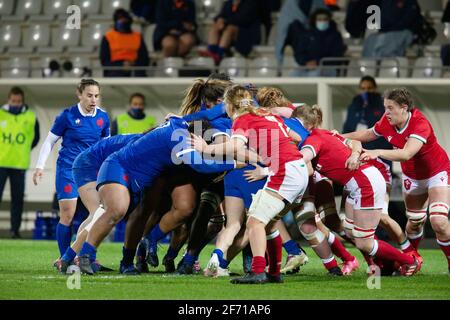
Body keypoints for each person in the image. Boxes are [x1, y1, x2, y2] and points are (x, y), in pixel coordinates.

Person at [75, 117, 236, 275]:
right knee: (117, 209)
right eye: (204, 144)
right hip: (120, 168)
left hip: (140, 178)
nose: (204, 149)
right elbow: (201, 166)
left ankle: (126, 262)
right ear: (197, 137)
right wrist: (235, 163)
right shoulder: (181, 139)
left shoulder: (178, 129)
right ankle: (86, 255)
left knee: (140, 215)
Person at [191, 85, 309, 284]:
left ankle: (258, 271)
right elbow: (296, 137)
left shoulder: (242, 119)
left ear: (230, 105)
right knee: (269, 223)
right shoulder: (266, 113)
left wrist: (206, 148)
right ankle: (272, 273)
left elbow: (235, 147)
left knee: (254, 222)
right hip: (298, 169)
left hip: (284, 170)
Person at [296, 104, 422, 276]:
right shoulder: (324, 134)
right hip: (358, 182)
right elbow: (354, 142)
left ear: (302, 125)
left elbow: (303, 159)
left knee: (364, 242)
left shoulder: (313, 140)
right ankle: (384, 265)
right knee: (349, 230)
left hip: (365, 182)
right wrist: (354, 153)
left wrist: (269, 169)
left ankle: (409, 261)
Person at [342, 87, 450, 273]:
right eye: (385, 107)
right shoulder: (388, 120)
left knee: (438, 221)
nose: (386, 112)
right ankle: (412, 258)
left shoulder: (419, 123)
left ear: (404, 107)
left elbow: (407, 153)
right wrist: (338, 137)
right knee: (415, 221)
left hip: (436, 172)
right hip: (413, 177)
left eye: (390, 108)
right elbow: (369, 134)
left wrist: (378, 152)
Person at [32, 79, 110, 260]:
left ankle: (82, 255)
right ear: (79, 94)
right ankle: (63, 259)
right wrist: (39, 167)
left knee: (98, 213)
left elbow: (106, 146)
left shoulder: (103, 118)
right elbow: (49, 141)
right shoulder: (66, 116)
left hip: (90, 171)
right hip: (67, 169)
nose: (93, 100)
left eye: (96, 96)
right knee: (67, 214)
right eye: (89, 95)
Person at [0, 87, 40, 239]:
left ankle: (14, 231)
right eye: (13, 101)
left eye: (18, 101)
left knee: (17, 199)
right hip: (1, 162)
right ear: (8, 100)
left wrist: (23, 150)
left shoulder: (30, 116)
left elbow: (36, 138)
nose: (16, 104)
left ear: (22, 101)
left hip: (19, 163)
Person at [200, 0, 265, 65]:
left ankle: (219, 54)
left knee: (230, 28)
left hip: (247, 33)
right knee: (215, 27)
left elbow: (243, 19)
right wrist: (220, 20)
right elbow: (221, 15)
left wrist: (225, 22)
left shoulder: (251, 2)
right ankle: (212, 52)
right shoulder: (228, 3)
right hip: (228, 30)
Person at [289, 8, 346, 77]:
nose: (322, 21)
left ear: (329, 20)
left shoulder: (335, 36)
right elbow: (299, 52)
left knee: (315, 74)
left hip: (327, 67)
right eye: (319, 19)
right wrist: (306, 62)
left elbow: (337, 55)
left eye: (325, 19)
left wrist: (317, 62)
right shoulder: (307, 35)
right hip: (306, 66)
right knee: (293, 74)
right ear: (314, 20)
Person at [275, 0, 327, 67]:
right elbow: (282, 34)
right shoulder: (290, 8)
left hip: (317, 61)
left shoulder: (319, 3)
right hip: (300, 57)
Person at [100, 8, 150, 77]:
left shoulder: (137, 36)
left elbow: (144, 59)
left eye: (124, 18)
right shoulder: (108, 37)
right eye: (119, 18)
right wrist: (121, 65)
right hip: (115, 69)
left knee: (140, 75)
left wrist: (132, 65)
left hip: (135, 68)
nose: (122, 21)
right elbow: (105, 61)